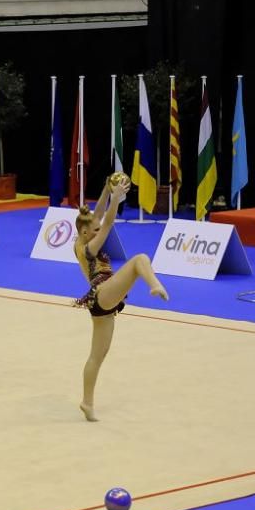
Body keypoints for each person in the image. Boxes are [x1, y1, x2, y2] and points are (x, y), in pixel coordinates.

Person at [73, 177, 169, 422]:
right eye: (94, 230)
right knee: (139, 259)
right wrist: (116, 199)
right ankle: (154, 284)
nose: (98, 231)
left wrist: (106, 189)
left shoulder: (81, 239)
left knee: (98, 356)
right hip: (103, 292)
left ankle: (87, 402)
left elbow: (99, 216)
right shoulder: (87, 248)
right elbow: (107, 223)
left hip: (102, 303)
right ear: (85, 233)